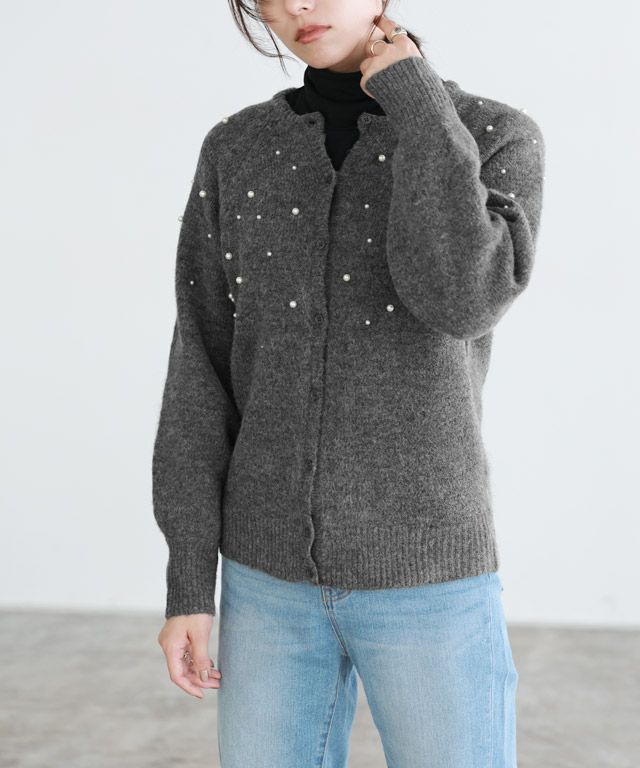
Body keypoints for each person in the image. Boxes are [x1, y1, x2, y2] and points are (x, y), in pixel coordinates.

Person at [153, 1, 546, 765]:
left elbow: (462, 300)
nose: (293, 5)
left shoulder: (494, 134)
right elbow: (200, 369)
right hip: (264, 583)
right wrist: (189, 583)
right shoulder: (238, 148)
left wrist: (418, 105)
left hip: (428, 574)